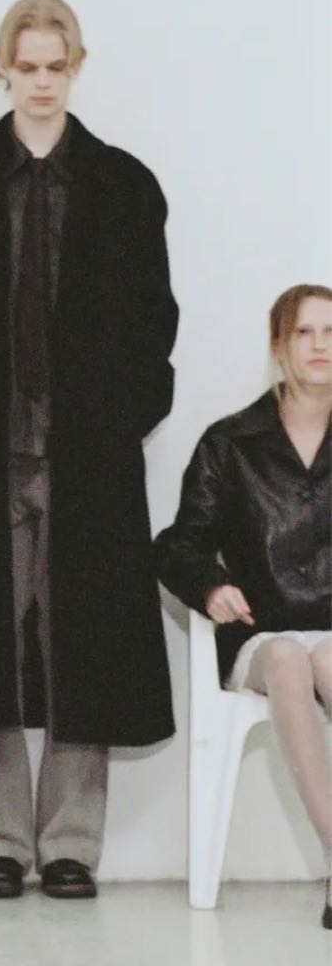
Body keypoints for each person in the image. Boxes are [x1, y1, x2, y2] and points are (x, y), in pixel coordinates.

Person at [0, 0, 178, 900]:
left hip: (88, 454)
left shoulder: (123, 183)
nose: (41, 82)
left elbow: (154, 322)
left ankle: (71, 846)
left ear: (76, 67)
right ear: (1, 67)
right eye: (27, 66)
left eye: (56, 66)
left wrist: (122, 419)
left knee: (82, 636)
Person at [156, 284, 332, 929]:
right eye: (305, 332)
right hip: (263, 636)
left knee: (329, 659)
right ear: (279, 346)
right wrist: (211, 587)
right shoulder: (231, 442)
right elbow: (179, 543)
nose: (320, 346)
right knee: (288, 658)